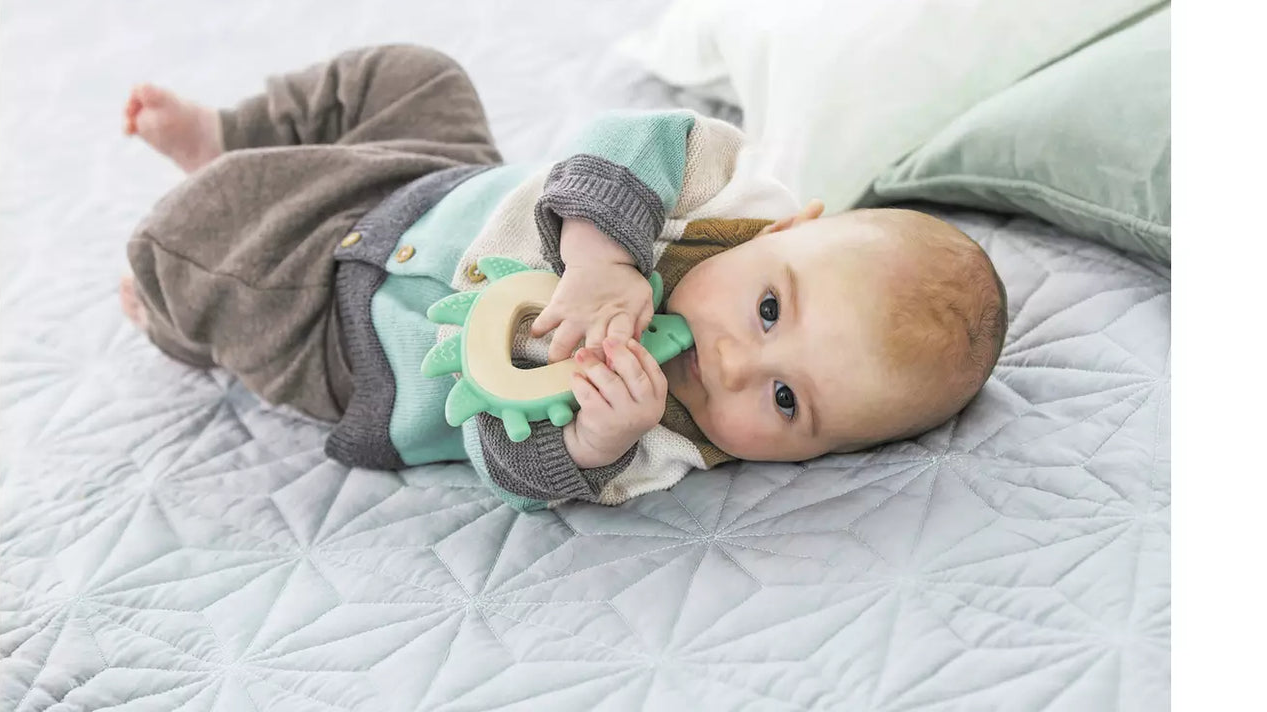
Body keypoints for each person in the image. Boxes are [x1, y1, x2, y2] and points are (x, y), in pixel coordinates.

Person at [120, 44, 1008, 511]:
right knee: (417, 74)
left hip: (350, 333)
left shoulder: (661, 439)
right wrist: (602, 256)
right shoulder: (723, 188)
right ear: (787, 226)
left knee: (196, 241)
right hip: (435, 184)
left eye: (785, 403)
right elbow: (628, 135)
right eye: (769, 307)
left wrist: (588, 444)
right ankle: (234, 130)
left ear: (820, 454)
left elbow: (504, 468)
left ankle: (166, 311)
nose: (735, 363)